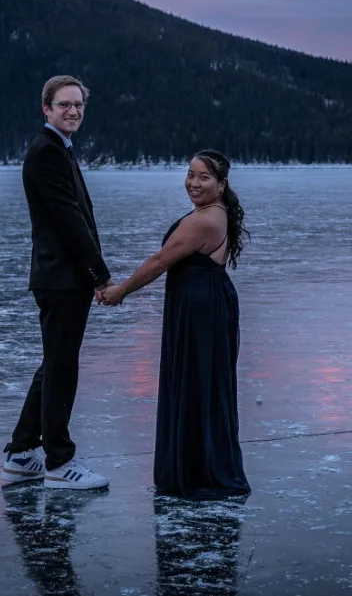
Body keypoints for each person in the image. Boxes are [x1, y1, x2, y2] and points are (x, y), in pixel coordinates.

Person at [96, 149, 251, 500]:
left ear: (222, 184)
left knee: (196, 384)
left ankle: (199, 472)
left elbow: (158, 262)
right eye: (190, 174)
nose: (193, 183)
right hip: (204, 304)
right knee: (201, 384)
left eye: (204, 177)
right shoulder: (212, 212)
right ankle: (201, 465)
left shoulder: (204, 221)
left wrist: (120, 291)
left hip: (201, 309)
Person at [2, 75, 112, 491]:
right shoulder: (47, 153)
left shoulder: (58, 149)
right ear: (46, 108)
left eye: (78, 105)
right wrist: (99, 275)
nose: (73, 111)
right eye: (64, 104)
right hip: (61, 279)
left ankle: (20, 453)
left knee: (54, 365)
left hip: (61, 278)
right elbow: (70, 222)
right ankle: (59, 463)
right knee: (61, 369)